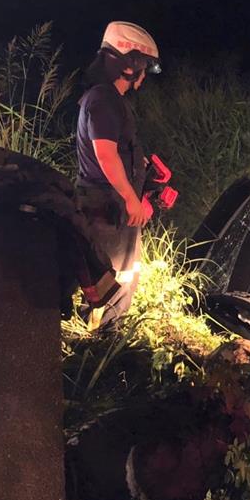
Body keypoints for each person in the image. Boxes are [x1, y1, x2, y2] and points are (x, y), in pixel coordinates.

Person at [74, 21, 161, 324]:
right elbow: (106, 154)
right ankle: (101, 339)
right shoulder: (103, 100)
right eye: (145, 68)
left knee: (122, 273)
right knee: (110, 278)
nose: (145, 76)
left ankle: (108, 333)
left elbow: (117, 153)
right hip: (107, 206)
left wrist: (142, 180)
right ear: (129, 66)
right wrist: (129, 198)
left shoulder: (107, 100)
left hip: (113, 204)